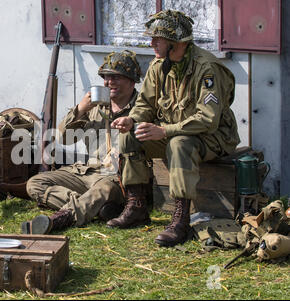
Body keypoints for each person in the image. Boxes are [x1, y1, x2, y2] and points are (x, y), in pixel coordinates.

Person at [111, 10, 240, 247]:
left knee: (179, 143)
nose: (151, 44)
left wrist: (166, 131)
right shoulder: (159, 66)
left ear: (175, 43)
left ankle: (181, 219)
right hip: (176, 132)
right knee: (130, 136)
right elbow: (145, 104)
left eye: (157, 39)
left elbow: (208, 119)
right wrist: (132, 119)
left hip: (213, 137)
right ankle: (137, 206)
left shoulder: (206, 68)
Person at [21, 50, 143, 234]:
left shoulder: (142, 108)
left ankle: (61, 218)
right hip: (87, 171)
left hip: (117, 178)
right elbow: (62, 138)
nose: (109, 82)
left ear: (132, 80)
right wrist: (79, 110)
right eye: (106, 77)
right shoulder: (96, 106)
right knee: (35, 184)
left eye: (116, 77)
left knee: (105, 190)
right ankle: (95, 207)